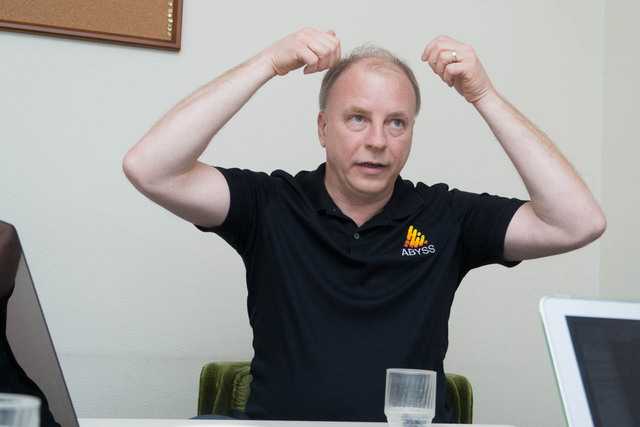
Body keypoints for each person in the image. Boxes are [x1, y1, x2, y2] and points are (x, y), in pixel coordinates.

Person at [123, 28, 606, 423]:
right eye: (357, 118)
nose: (378, 140)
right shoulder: (271, 203)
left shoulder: (446, 215)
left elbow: (577, 222)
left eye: (397, 122)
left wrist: (483, 95)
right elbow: (150, 168)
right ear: (323, 129)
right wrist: (268, 62)